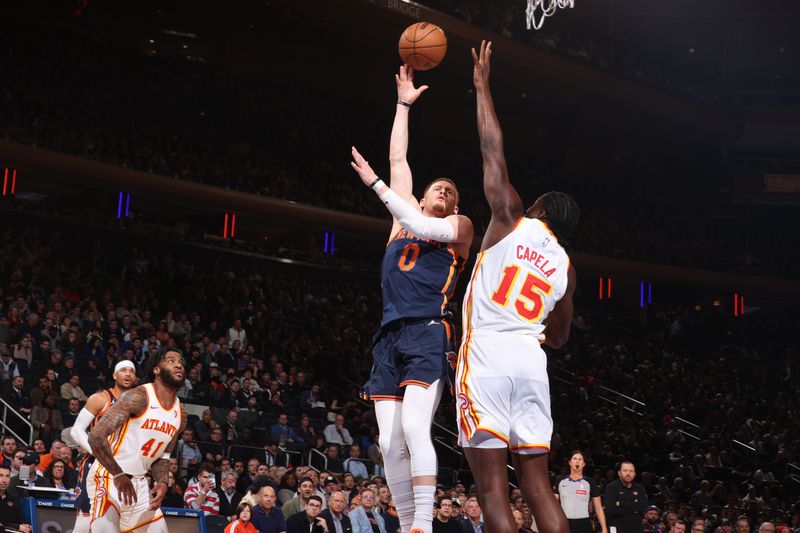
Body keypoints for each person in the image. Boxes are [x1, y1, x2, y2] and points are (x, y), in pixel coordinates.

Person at [454, 41, 578, 533]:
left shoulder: (510, 217)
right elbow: (562, 336)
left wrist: (482, 87)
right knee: (538, 485)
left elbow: (491, 148)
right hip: (532, 361)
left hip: (489, 352)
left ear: (540, 209)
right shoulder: (567, 267)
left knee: (490, 490)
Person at [349, 63, 474, 533]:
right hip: (389, 336)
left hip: (427, 330)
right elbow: (399, 160)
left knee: (417, 429)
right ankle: (407, 523)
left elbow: (412, 212)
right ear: (419, 199)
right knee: (387, 440)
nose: (442, 191)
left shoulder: (458, 229)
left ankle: (423, 523)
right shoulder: (401, 222)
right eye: (436, 188)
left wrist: (376, 186)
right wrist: (402, 105)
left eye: (451, 192)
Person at [87, 349, 187, 533]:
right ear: (156, 370)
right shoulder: (138, 397)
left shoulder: (180, 413)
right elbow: (96, 436)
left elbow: (163, 456)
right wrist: (118, 475)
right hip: (109, 475)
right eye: (171, 360)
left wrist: (163, 482)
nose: (179, 364)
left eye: (180, 362)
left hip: (140, 483)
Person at [69, 360, 136, 533]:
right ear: (114, 375)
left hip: (124, 467)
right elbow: (76, 431)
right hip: (96, 464)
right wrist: (100, 453)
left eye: (132, 371)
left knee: (117, 522)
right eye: (123, 370)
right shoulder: (100, 398)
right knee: (85, 521)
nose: (128, 373)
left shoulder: (139, 405)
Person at [555, 451, 607, 533]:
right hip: (564, 523)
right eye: (575, 459)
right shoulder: (560, 481)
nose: (577, 461)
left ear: (584, 464)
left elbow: (598, 507)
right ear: (569, 462)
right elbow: (554, 504)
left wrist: (604, 528)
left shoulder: (590, 482)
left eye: (580, 459)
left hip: (584, 524)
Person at [603, 461, 648, 533]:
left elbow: (643, 507)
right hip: (617, 528)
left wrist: (621, 503)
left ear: (634, 474)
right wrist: (634, 508)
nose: (628, 473)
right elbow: (611, 510)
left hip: (636, 529)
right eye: (625, 471)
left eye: (631, 471)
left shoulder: (640, 488)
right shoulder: (611, 487)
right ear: (619, 473)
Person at [0, 464, 32, 532]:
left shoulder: (13, 499)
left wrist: (25, 527)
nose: (4, 480)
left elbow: (19, 522)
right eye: (1, 476)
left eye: (7, 476)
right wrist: (17, 527)